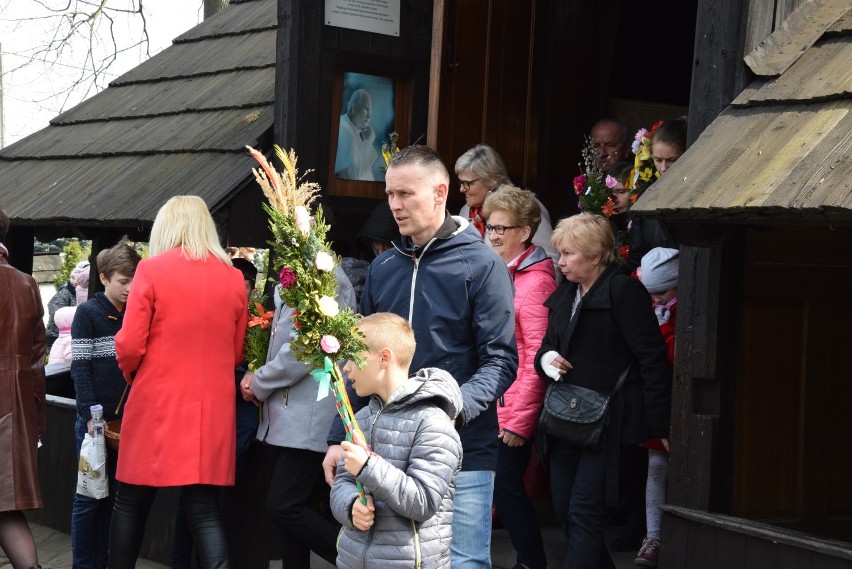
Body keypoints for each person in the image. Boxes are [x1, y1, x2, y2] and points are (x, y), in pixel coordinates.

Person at [324, 145, 519, 569]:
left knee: (464, 563)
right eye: (390, 194)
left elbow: (501, 360)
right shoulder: (383, 268)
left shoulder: (483, 265)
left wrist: (450, 410)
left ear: (440, 192)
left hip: (464, 447)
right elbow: (359, 358)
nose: (394, 205)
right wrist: (338, 436)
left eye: (405, 194)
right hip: (386, 450)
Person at [111, 196, 248, 569]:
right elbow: (235, 353)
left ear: (166, 226)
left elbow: (128, 343)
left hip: (158, 400)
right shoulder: (234, 278)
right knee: (203, 508)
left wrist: (134, 374)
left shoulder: (153, 270)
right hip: (210, 409)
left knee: (131, 501)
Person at [534, 213, 671, 569]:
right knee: (564, 507)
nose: (560, 261)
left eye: (568, 254)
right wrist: (546, 360)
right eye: (560, 253)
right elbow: (545, 347)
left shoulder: (624, 291)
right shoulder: (566, 293)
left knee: (583, 509)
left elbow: (652, 359)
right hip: (564, 416)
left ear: (596, 256)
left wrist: (659, 425)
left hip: (607, 422)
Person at [239, 266, 356, 569]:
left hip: (307, 415)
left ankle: (359, 560)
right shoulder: (299, 273)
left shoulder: (326, 277)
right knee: (286, 517)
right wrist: (256, 370)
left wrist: (261, 381)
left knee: (284, 507)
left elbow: (302, 349)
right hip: (286, 415)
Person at [331, 313, 463, 569]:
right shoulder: (360, 419)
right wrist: (350, 507)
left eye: (354, 355)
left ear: (384, 358)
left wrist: (369, 467)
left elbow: (423, 502)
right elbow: (342, 483)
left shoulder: (432, 423)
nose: (346, 367)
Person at [482, 186, 556, 569]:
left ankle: (531, 561)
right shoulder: (502, 271)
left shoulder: (537, 281)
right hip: (492, 402)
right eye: (489, 226)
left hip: (513, 409)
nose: (492, 235)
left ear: (525, 232)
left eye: (501, 229)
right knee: (495, 487)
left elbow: (537, 360)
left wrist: (519, 421)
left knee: (507, 489)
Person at [69, 241, 141, 569]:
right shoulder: (88, 313)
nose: (129, 288)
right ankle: (84, 564)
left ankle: (104, 562)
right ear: (103, 278)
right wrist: (88, 415)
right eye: (123, 281)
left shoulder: (138, 313)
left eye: (134, 281)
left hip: (125, 424)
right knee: (88, 499)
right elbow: (80, 367)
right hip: (94, 423)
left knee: (113, 500)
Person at [0, 204, 46, 569]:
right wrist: (37, 424)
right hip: (15, 412)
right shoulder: (26, 283)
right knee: (7, 507)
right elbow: (36, 361)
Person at [634, 247, 679, 568]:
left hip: (682, 400)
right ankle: (654, 535)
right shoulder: (652, 311)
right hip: (659, 403)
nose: (657, 300)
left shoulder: (682, 314)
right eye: (651, 294)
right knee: (656, 467)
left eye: (662, 292)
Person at [454, 144, 558, 270]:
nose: (461, 189)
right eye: (460, 182)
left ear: (490, 179)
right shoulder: (466, 211)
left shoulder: (523, 207)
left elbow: (552, 262)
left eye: (468, 183)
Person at [623, 118, 686, 274]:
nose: (663, 168)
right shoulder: (645, 197)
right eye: (658, 160)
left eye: (671, 160)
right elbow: (637, 254)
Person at [335, 88, 380, 181]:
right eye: (366, 109)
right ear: (354, 108)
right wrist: (368, 142)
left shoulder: (351, 129)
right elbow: (353, 176)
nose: (369, 116)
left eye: (370, 111)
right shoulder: (344, 129)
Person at [46, 260, 88, 348]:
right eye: (73, 278)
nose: (75, 281)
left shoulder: (80, 292)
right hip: (58, 335)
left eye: (77, 278)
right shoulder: (65, 293)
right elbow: (54, 309)